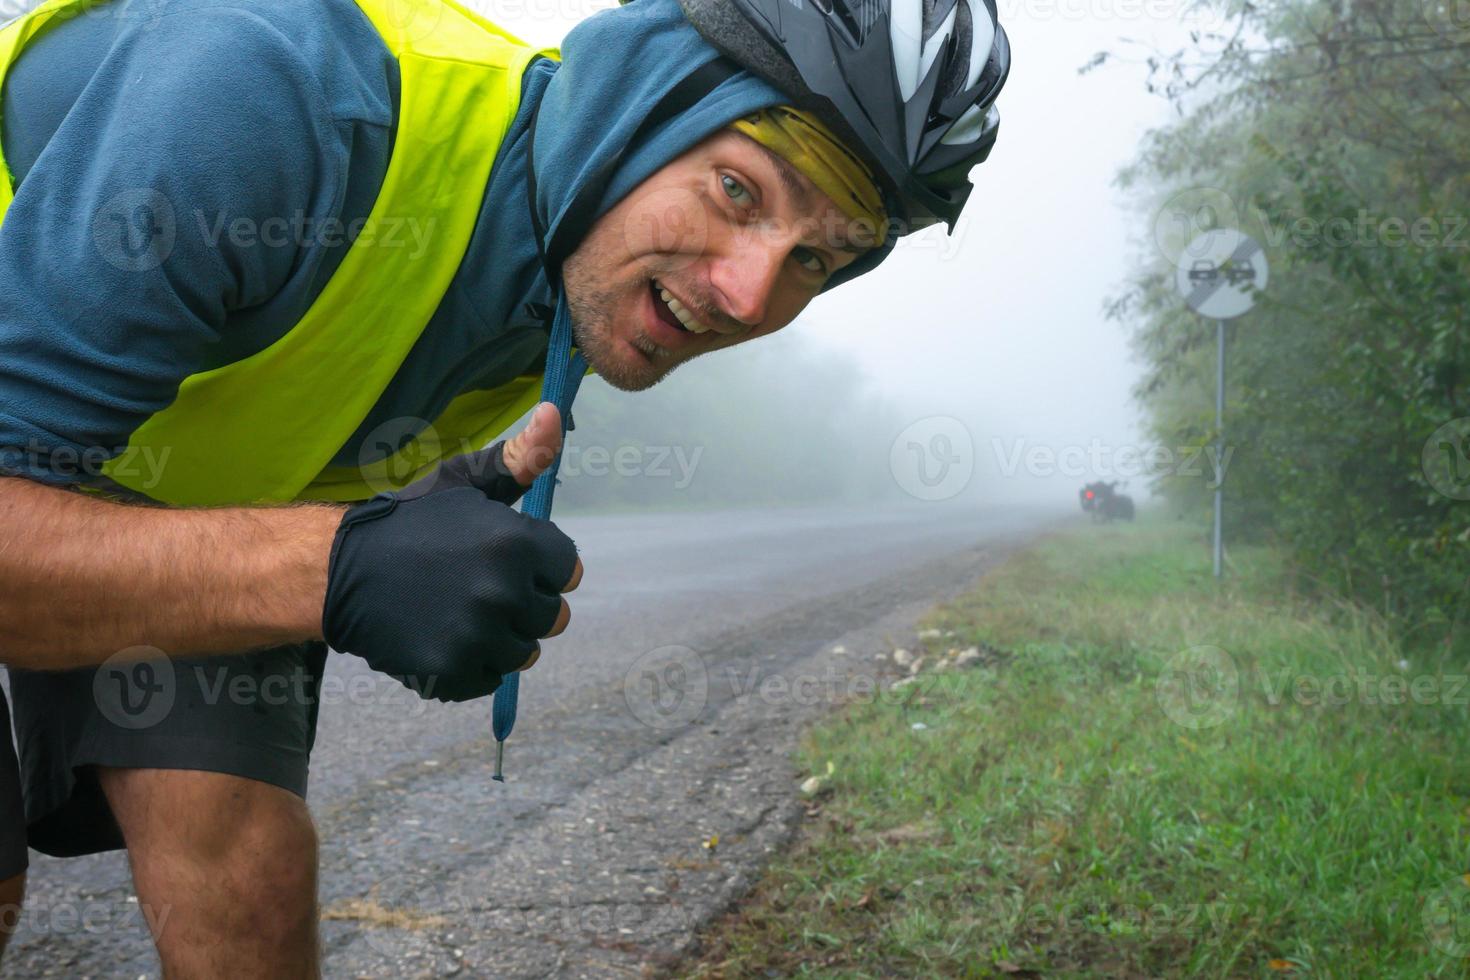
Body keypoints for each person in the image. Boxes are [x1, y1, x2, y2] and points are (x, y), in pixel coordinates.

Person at [0, 0, 1009, 972]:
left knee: (246, 865)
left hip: (139, 477)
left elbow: (300, 397)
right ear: (638, 100)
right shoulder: (276, 89)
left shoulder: (584, 269)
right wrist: (341, 566)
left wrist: (426, 505)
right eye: (738, 190)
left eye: (818, 258)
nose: (750, 293)